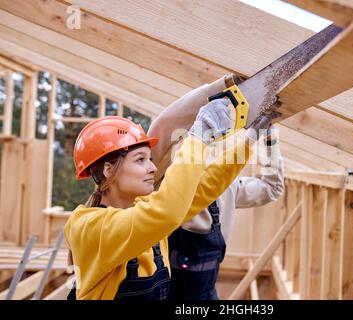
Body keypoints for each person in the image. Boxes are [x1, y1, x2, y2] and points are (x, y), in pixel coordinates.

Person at [64, 93, 279, 300]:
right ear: (108, 169)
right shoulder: (89, 227)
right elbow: (167, 210)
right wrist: (198, 137)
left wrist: (250, 140)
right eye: (140, 160)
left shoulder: (143, 207)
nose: (152, 168)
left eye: (150, 159)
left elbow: (206, 186)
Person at [146, 75, 284, 300]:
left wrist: (269, 138)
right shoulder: (159, 186)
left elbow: (271, 188)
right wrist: (223, 86)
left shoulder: (226, 188)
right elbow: (164, 125)